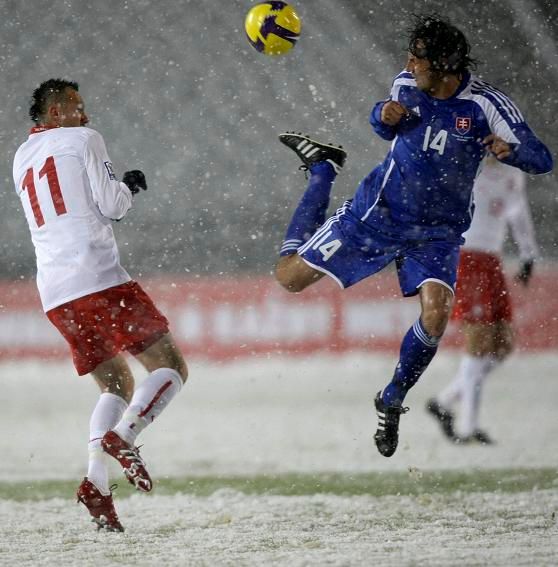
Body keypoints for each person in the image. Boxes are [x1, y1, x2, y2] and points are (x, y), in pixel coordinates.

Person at [274, 14, 552, 458]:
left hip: (438, 233)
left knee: (437, 317)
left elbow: (543, 158)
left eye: (417, 58)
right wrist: (381, 115)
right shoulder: (407, 84)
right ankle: (323, 170)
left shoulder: (486, 106)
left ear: (442, 66)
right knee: (288, 278)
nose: (408, 63)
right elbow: (383, 124)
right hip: (378, 213)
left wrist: (513, 151)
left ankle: (392, 397)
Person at [12, 79, 188, 532]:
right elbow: (112, 206)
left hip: (55, 290)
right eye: (76, 106)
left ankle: (97, 483)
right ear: (54, 114)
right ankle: (123, 437)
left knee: (115, 385)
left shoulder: (19, 157)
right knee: (170, 366)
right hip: (98, 276)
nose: (85, 115)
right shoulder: (85, 139)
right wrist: (128, 186)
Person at [426, 156, 538, 444]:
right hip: (465, 256)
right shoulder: (463, 164)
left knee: (502, 346)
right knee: (479, 341)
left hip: (491, 259)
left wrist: (527, 253)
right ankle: (468, 427)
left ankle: (445, 401)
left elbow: (518, 210)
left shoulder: (513, 171)